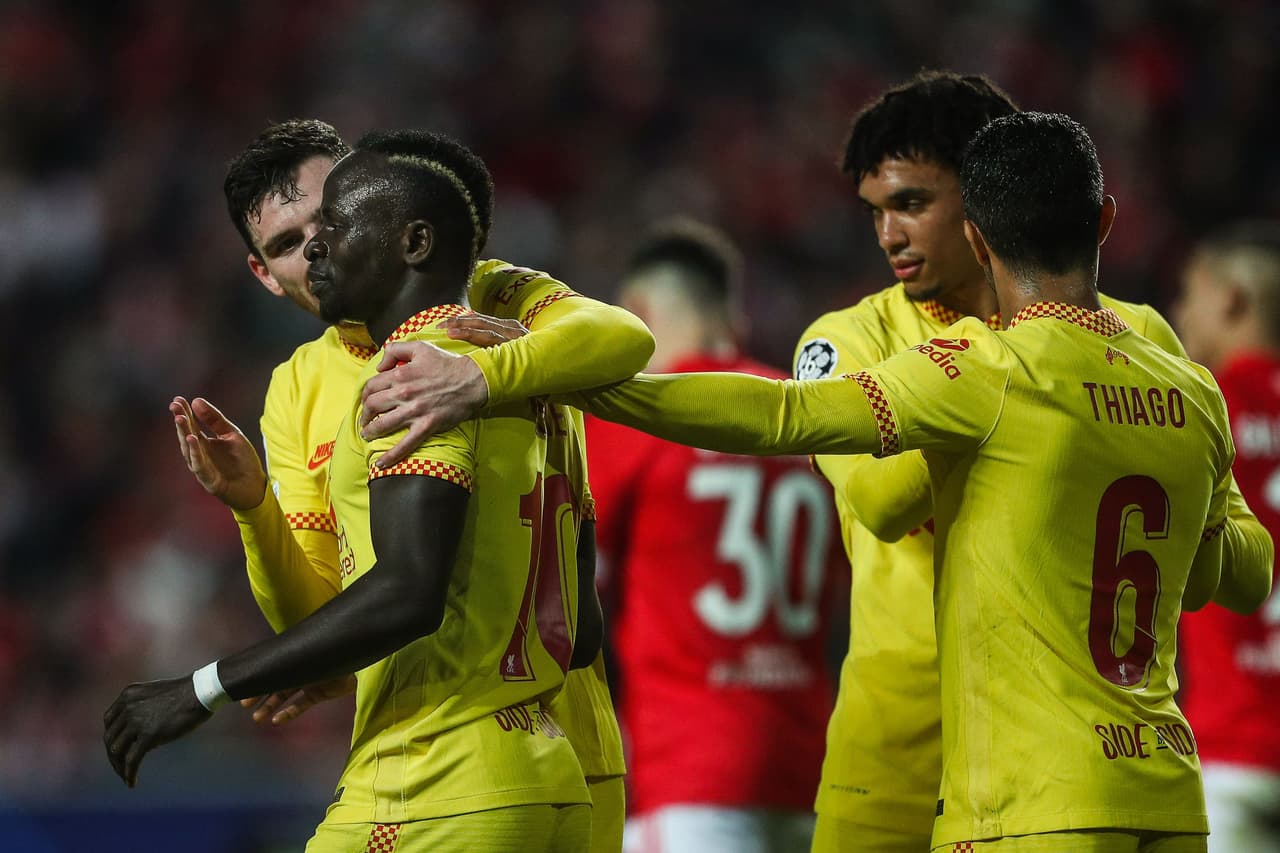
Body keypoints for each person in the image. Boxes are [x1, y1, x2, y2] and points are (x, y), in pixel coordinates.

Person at [563, 112, 1271, 851]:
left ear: (977, 239)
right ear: (1104, 222)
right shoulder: (1189, 385)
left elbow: (783, 416)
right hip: (1167, 792)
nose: (889, 234)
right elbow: (1232, 577)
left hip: (1034, 800)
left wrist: (593, 386)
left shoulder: (985, 368)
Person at [104, 130, 615, 851]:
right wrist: (255, 510)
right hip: (538, 763)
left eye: (332, 220)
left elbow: (407, 591)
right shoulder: (307, 387)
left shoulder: (450, 345)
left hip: (449, 764)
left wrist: (205, 686)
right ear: (262, 273)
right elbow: (341, 617)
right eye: (290, 243)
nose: (317, 248)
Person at [581, 219, 840, 852]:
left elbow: (569, 591)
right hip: (812, 769)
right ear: (732, 313)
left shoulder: (641, 417)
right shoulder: (809, 414)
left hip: (687, 770)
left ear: (639, 313)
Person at [1174, 223, 1280, 853]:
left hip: (1234, 749)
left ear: (1233, 299)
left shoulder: (1202, 409)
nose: (1181, 312)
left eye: (1191, 293)